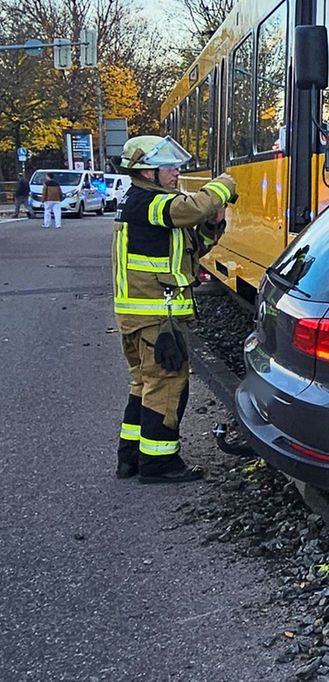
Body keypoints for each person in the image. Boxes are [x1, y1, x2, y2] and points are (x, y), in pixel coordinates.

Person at [112, 135, 236, 483]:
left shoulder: (147, 204)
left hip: (145, 317)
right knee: (166, 386)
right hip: (154, 318)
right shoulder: (145, 201)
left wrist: (214, 221)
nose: (176, 172)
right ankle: (159, 464)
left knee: (144, 384)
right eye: (168, 166)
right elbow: (189, 210)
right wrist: (222, 187)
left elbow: (191, 248)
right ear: (146, 172)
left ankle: (130, 458)